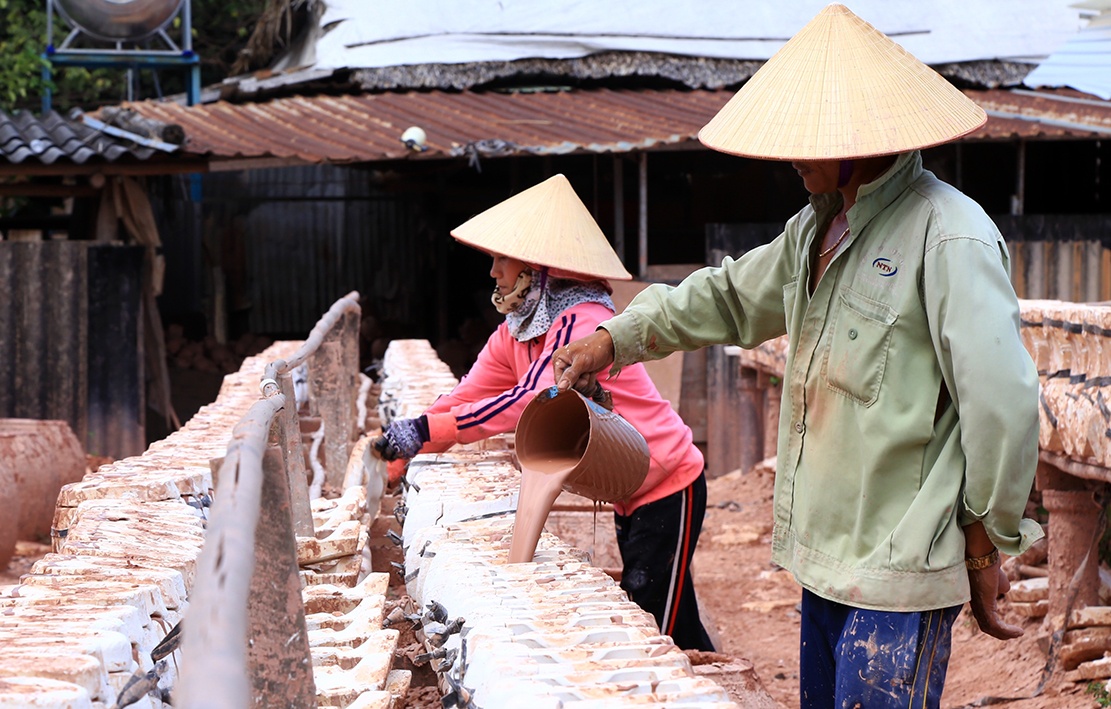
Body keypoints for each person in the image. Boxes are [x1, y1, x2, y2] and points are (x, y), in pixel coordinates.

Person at [552, 4, 1042, 707]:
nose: (791, 155)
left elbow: (999, 402)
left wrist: (986, 541)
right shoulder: (813, 231)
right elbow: (723, 297)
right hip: (824, 560)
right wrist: (613, 338)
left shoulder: (948, 237)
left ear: (859, 137)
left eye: (807, 138)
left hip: (899, 567)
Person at [373, 173, 716, 652]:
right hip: (625, 483)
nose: (493, 272)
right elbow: (466, 396)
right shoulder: (516, 333)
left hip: (666, 483)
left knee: (661, 624)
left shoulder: (586, 322)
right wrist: (412, 441)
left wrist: (427, 428)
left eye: (501, 260)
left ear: (536, 267)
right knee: (655, 609)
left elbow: (534, 401)